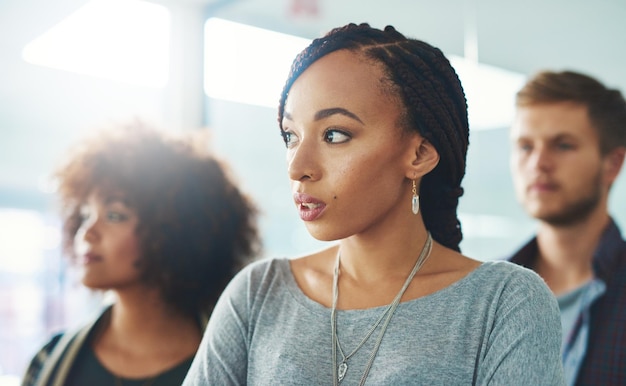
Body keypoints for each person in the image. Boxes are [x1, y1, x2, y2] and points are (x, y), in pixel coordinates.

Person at [183, 23, 565, 385]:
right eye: (290, 136)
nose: (299, 167)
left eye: (334, 134)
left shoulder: (504, 303)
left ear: (419, 154)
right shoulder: (257, 294)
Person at [21, 121, 260, 386]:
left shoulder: (241, 365)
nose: (87, 232)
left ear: (174, 229)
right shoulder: (49, 362)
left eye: (114, 215)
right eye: (85, 213)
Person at [508, 70, 626, 385]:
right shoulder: (488, 290)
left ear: (612, 164)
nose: (538, 163)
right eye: (525, 146)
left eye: (562, 145)